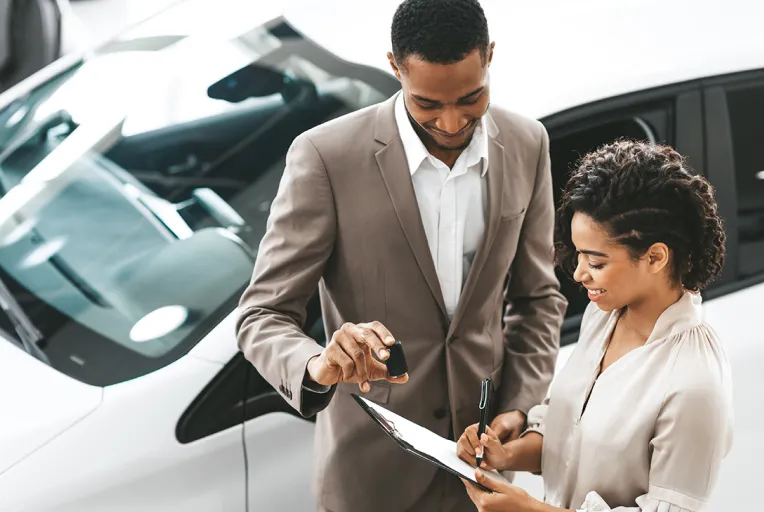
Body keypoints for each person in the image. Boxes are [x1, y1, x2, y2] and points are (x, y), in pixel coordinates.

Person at [235, 0, 567, 510]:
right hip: (370, 478)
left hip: (481, 475)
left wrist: (520, 406)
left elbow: (539, 298)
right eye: (429, 104)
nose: (453, 122)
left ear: (490, 57)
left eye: (471, 98)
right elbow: (261, 315)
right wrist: (319, 363)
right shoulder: (325, 157)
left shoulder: (529, 143)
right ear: (395, 67)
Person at [457, 140, 734, 511]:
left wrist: (529, 510)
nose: (579, 273)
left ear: (654, 257)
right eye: (578, 255)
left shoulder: (693, 386)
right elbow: (570, 441)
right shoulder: (603, 314)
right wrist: (505, 455)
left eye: (596, 262)